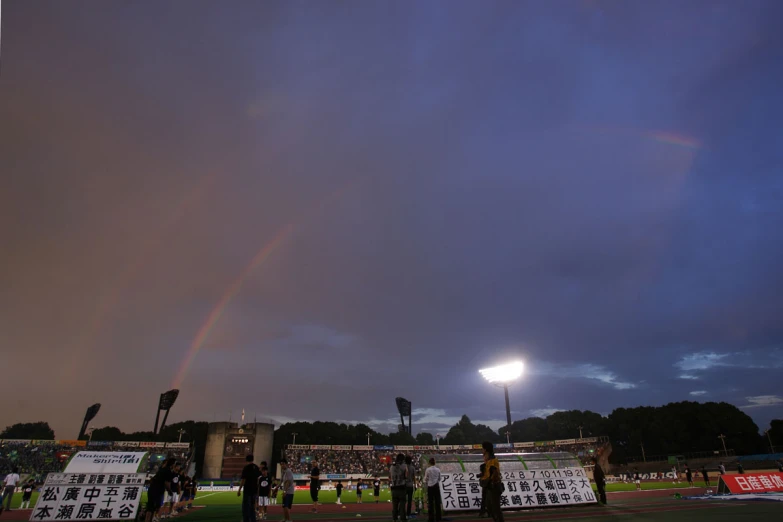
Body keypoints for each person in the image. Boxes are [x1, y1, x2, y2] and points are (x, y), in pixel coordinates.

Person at [145, 458, 175, 522]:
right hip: (158, 490)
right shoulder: (168, 471)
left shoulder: (161, 469)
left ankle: (147, 520)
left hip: (152, 488)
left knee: (150, 506)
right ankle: (152, 518)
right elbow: (167, 483)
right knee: (156, 505)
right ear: (172, 464)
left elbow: (153, 479)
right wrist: (170, 491)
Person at [481, 442, 504, 522]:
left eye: (483, 448)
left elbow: (494, 473)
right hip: (490, 486)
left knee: (495, 508)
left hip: (494, 486)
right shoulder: (488, 460)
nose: (482, 450)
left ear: (486, 450)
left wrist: (488, 480)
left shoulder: (492, 460)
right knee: (489, 506)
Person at [237, 455, 261, 522]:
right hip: (254, 490)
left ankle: (246, 520)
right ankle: (253, 519)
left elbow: (243, 480)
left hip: (247, 490)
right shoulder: (256, 467)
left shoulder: (246, 468)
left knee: (246, 506)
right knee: (252, 506)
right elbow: (258, 479)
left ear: (246, 460)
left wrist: (239, 490)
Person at [390, 454, 408, 522]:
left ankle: (394, 518)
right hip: (401, 487)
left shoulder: (392, 466)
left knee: (394, 505)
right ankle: (402, 518)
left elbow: (390, 476)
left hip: (394, 488)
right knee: (402, 504)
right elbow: (406, 475)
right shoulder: (404, 466)